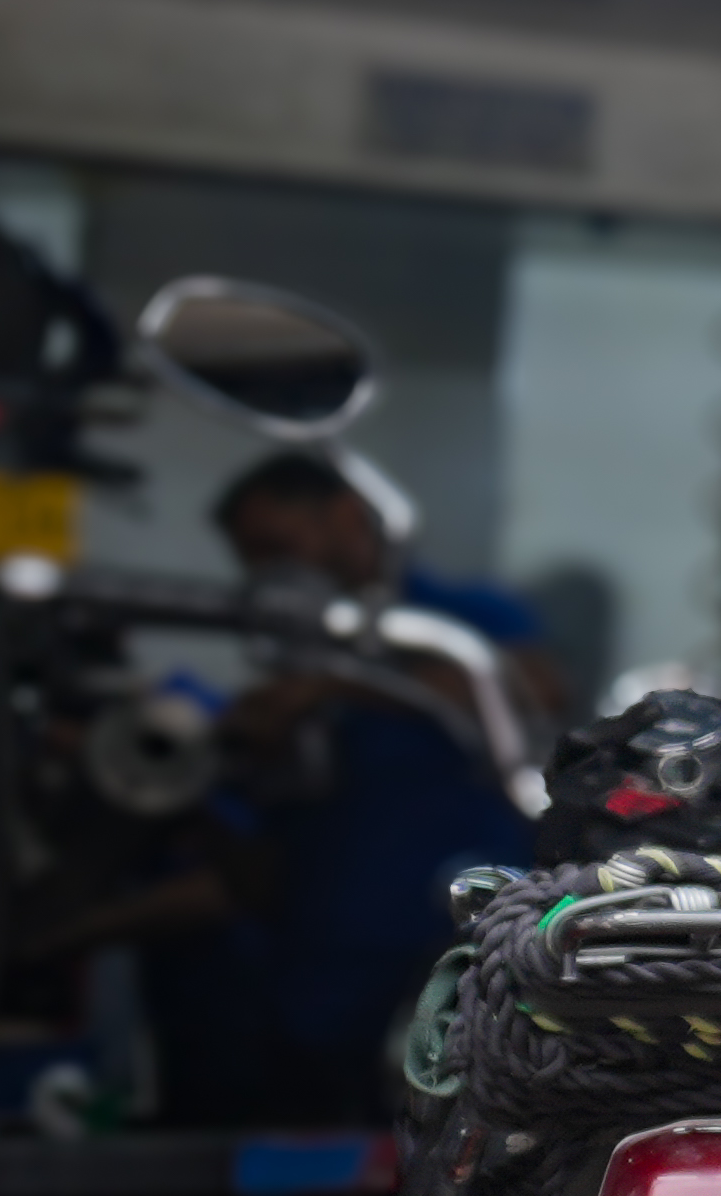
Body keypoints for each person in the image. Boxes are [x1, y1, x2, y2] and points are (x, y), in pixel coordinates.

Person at [205, 451, 556, 1109]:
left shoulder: (461, 619)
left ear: (344, 516)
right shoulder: (293, 662)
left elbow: (532, 686)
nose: (269, 573)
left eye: (278, 546)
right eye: (251, 558)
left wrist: (336, 688)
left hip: (450, 937)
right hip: (322, 963)